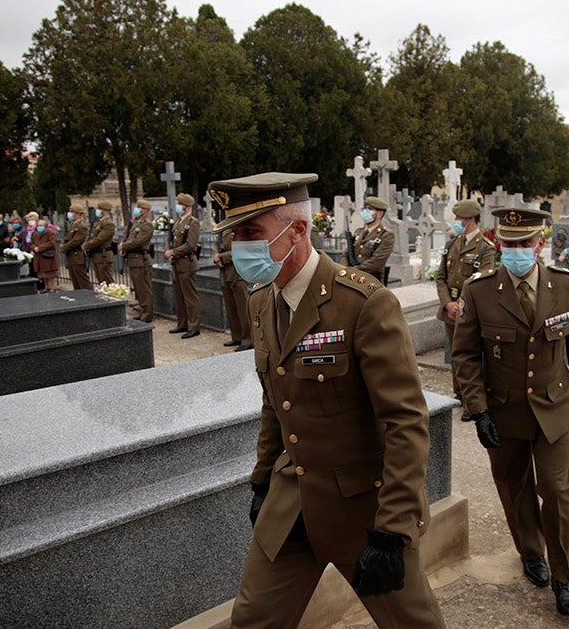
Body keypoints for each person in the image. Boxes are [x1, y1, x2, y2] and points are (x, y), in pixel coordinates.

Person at [207, 172, 445, 629]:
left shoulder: (362, 303)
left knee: (414, 624)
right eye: (235, 234)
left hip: (366, 511)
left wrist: (393, 530)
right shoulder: (260, 301)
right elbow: (275, 401)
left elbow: (406, 421)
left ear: (296, 230)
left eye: (250, 233)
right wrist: (262, 479)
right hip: (291, 502)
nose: (239, 247)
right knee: (253, 620)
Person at [451, 207, 569, 617]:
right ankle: (531, 552)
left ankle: (564, 575)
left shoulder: (565, 286)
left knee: (555, 489)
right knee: (513, 486)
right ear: (500, 244)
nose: (517, 251)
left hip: (554, 407)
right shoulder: (479, 291)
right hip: (503, 411)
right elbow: (465, 356)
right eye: (509, 244)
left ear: (540, 243)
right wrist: (477, 410)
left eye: (524, 243)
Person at [435, 199, 497, 421]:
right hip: (450, 311)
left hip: (469, 313)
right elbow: (440, 277)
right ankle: (459, 394)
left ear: (469, 219)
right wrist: (447, 303)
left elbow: (482, 282)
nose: (456, 222)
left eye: (458, 219)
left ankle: (473, 402)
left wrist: (460, 306)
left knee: (472, 356)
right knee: (456, 356)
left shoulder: (485, 248)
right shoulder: (453, 244)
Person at [163, 193, 200, 339]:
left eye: (179, 203)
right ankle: (182, 323)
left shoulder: (192, 222)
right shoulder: (179, 221)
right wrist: (171, 253)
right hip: (178, 263)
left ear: (185, 206)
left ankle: (193, 325)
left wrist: (173, 252)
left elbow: (190, 245)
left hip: (187, 264)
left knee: (190, 297)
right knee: (179, 296)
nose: (177, 206)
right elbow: (174, 240)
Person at [213, 227, 253, 351]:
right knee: (231, 307)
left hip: (238, 271)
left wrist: (221, 256)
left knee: (242, 308)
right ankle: (237, 336)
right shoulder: (224, 228)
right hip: (226, 271)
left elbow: (243, 249)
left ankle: (248, 340)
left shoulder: (241, 226)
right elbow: (217, 243)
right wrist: (216, 255)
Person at [344, 196, 394, 282]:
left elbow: (376, 262)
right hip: (352, 279)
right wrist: (344, 269)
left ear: (379, 214)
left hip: (371, 281)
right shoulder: (359, 232)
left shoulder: (386, 235)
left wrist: (354, 271)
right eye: (365, 208)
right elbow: (346, 253)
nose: (365, 212)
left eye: (370, 209)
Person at [120, 199, 155, 322]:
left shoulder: (147, 225)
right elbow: (130, 239)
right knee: (138, 289)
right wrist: (123, 247)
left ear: (145, 210)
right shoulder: (136, 224)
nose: (137, 209)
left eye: (139, 207)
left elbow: (138, 241)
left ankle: (147, 314)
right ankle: (142, 310)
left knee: (144, 289)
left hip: (141, 261)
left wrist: (124, 246)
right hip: (133, 260)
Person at [83, 201, 115, 286]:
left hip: (103, 255)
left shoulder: (108, 223)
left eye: (99, 209)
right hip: (97, 256)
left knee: (107, 281)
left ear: (104, 210)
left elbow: (100, 239)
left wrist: (86, 246)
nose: (97, 211)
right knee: (101, 281)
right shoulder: (99, 222)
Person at [61, 204, 92, 291]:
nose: (70, 214)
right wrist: (63, 244)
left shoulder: (81, 226)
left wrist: (65, 247)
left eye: (72, 212)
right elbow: (67, 238)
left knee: (82, 281)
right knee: (75, 281)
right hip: (71, 256)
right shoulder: (73, 225)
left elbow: (76, 241)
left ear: (78, 214)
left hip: (77, 256)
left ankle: (88, 298)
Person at [30, 217, 59, 292]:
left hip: (48, 256)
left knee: (50, 274)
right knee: (43, 274)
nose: (39, 227)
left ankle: (51, 287)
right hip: (39, 257)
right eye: (38, 225)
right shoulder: (35, 234)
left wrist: (40, 248)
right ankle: (46, 287)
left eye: (41, 225)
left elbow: (51, 243)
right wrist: (34, 248)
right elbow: (31, 243)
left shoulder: (50, 233)